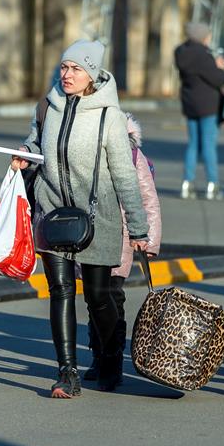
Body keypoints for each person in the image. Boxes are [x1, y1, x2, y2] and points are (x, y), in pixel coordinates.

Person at [11, 40, 149, 398]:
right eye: (64, 67)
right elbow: (35, 142)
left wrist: (137, 226)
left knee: (99, 297)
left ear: (92, 74)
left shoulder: (110, 117)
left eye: (76, 69)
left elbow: (124, 174)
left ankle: (111, 352)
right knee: (60, 291)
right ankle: (67, 372)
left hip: (98, 218)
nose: (67, 75)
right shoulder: (47, 106)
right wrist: (24, 153)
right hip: (53, 212)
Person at [82, 113, 162, 384]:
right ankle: (97, 354)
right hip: (90, 236)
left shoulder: (132, 155)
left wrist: (150, 240)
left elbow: (148, 199)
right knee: (93, 299)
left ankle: (111, 357)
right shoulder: (85, 150)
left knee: (112, 297)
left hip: (122, 237)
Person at [174, 22, 224, 200]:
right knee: (208, 145)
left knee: (192, 144)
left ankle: (186, 183)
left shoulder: (181, 52)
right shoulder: (203, 55)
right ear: (202, 36)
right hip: (207, 105)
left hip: (190, 103)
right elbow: (217, 79)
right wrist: (220, 67)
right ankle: (212, 185)